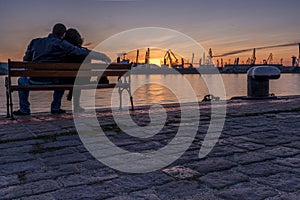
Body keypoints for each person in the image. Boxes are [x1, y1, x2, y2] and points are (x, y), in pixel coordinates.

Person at [13, 23, 111, 115]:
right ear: (63, 34)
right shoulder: (62, 44)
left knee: (21, 80)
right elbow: (80, 52)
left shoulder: (35, 42)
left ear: (52, 31)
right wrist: (102, 56)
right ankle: (55, 108)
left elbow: (26, 60)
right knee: (62, 79)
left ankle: (24, 109)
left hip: (34, 80)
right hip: (55, 80)